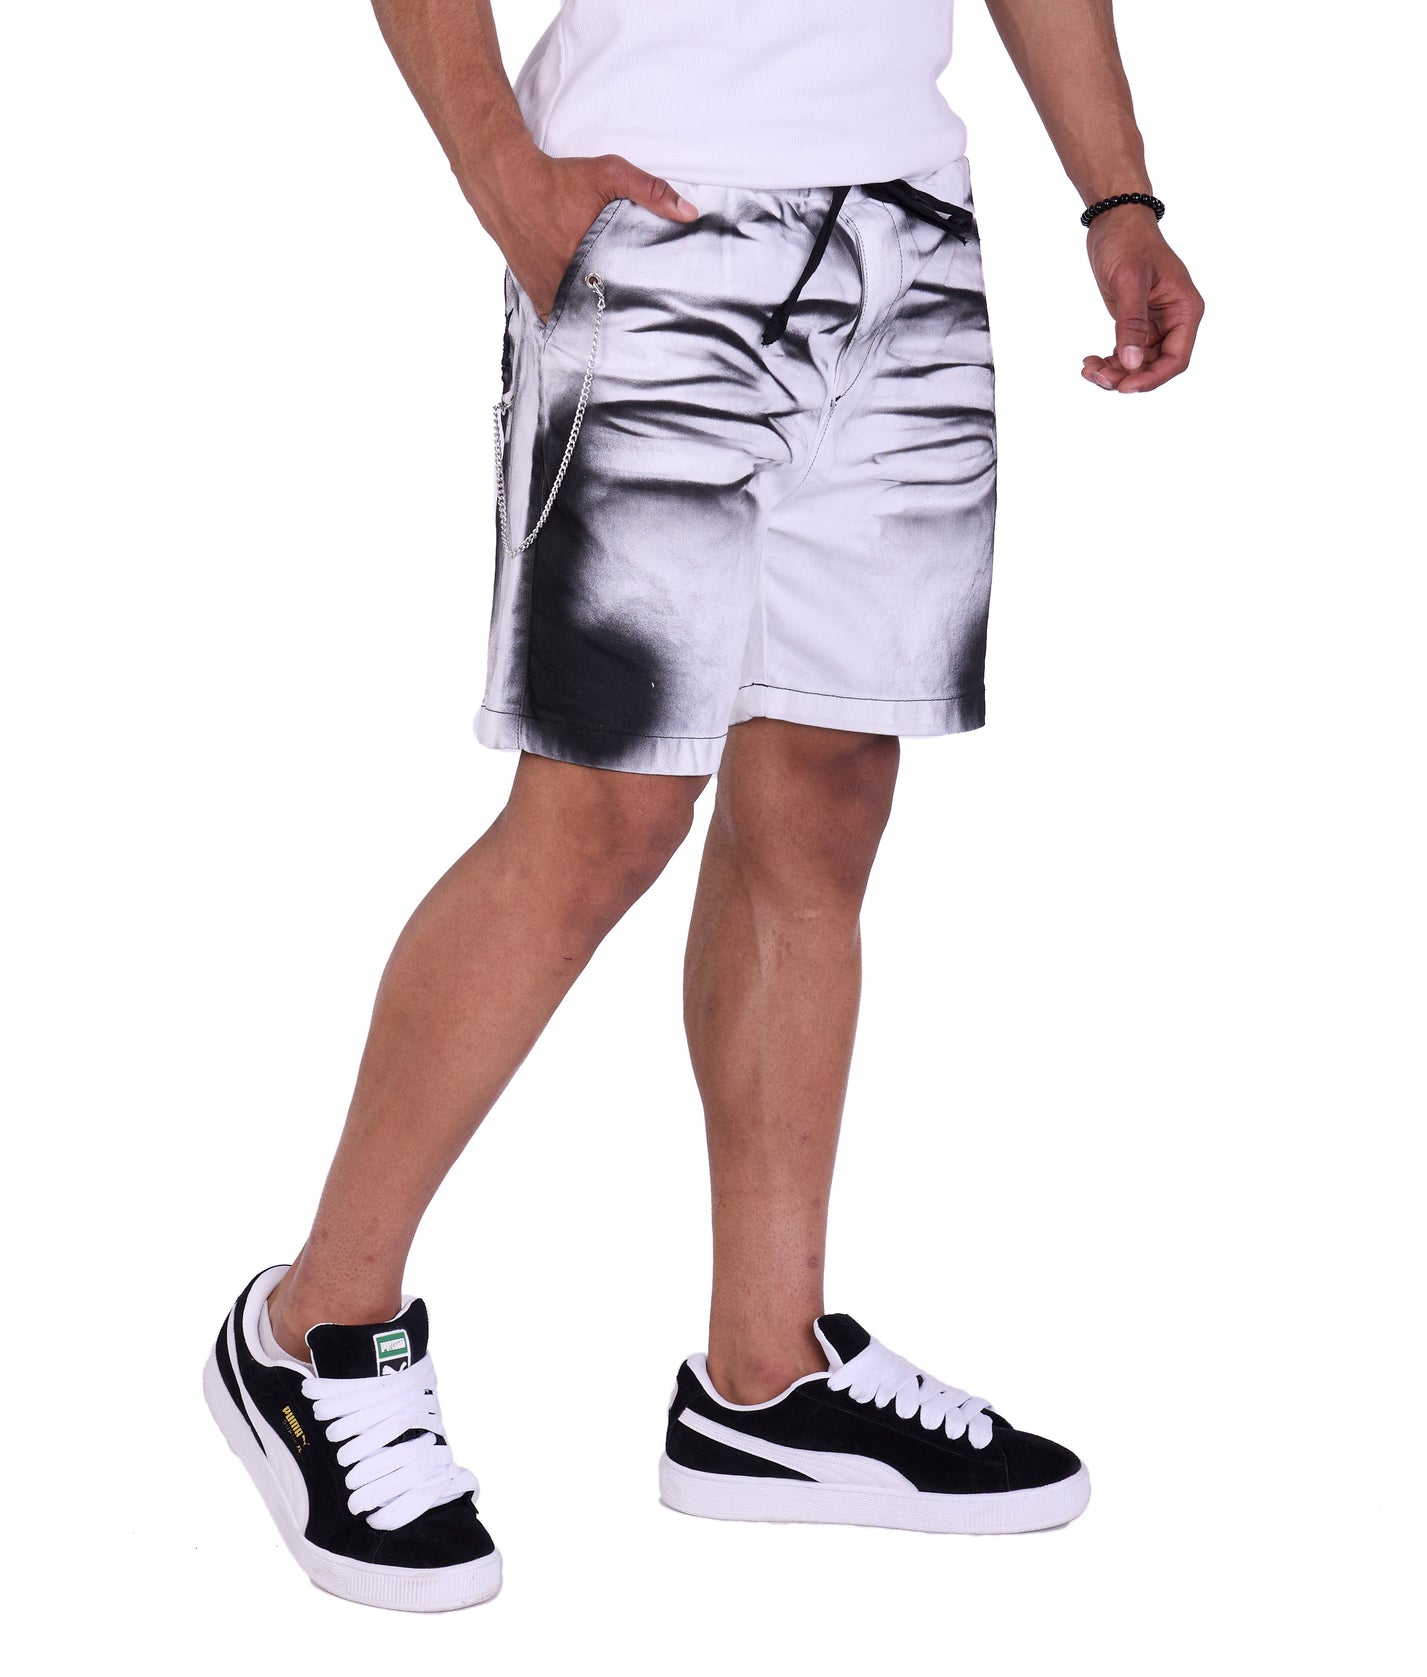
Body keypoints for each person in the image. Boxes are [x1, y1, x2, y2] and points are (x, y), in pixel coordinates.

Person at [204, 0, 1204, 1612]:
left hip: (907, 229)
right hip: (655, 218)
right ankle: (315, 1324)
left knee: (825, 794)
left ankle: (764, 1377)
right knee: (602, 811)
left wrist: (1117, 193)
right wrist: (501, 172)